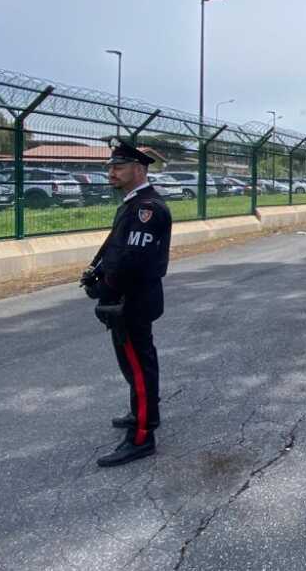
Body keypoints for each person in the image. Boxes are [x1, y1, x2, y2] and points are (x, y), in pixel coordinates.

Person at [80, 139, 172, 466]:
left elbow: (133, 260)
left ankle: (143, 436)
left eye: (118, 167)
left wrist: (105, 286)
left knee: (138, 364)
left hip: (132, 300)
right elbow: (119, 251)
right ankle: (143, 414)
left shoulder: (148, 209)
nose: (111, 172)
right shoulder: (134, 204)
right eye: (110, 167)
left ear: (139, 169)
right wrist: (100, 271)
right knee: (134, 363)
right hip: (128, 299)